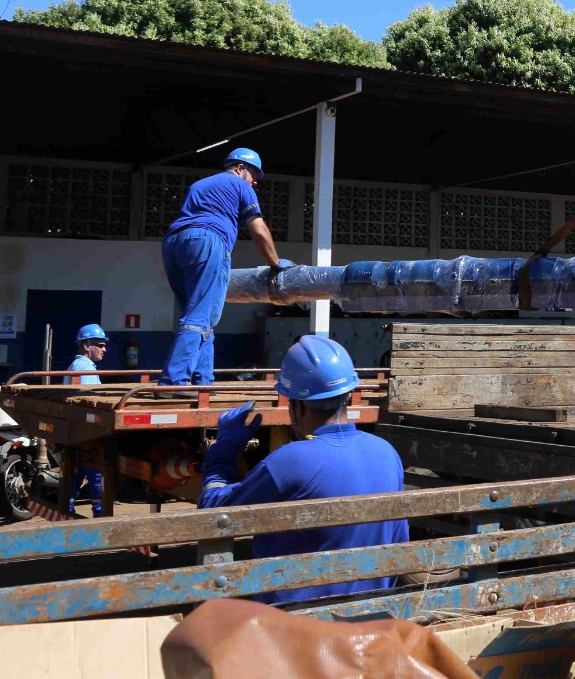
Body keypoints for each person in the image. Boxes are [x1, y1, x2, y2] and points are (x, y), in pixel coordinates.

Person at [198, 335, 408, 605]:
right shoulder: (387, 453)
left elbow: (214, 515)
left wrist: (222, 451)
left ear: (296, 404)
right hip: (372, 614)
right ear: (348, 396)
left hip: (295, 623)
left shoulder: (289, 461)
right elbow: (399, 541)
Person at [159, 147, 293, 386]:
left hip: (174, 244)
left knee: (200, 315)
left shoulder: (199, 185)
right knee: (199, 316)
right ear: (240, 168)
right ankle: (174, 381)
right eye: (254, 175)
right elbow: (259, 229)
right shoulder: (240, 186)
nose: (254, 183)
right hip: (208, 241)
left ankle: (203, 380)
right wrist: (275, 263)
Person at [64, 323, 108, 513]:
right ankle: (99, 513)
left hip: (76, 432)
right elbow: (92, 403)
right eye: (99, 344)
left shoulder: (76, 366)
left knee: (78, 471)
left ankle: (67, 508)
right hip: (87, 433)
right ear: (85, 345)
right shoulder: (85, 367)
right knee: (95, 473)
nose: (104, 349)